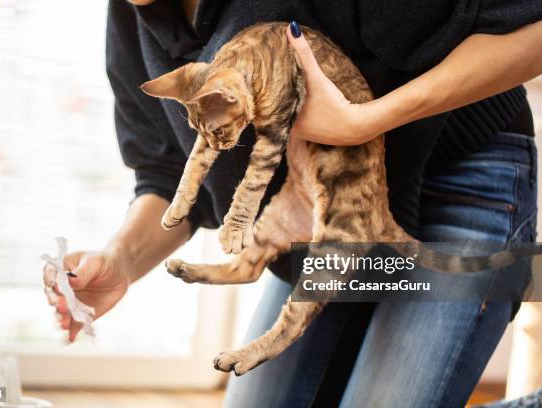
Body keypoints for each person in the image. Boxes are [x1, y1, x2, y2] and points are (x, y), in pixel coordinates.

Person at [43, 1, 542, 406]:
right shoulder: (132, 19)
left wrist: (365, 121)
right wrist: (122, 259)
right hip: (324, 207)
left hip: (459, 176)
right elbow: (166, 174)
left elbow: (532, 30)